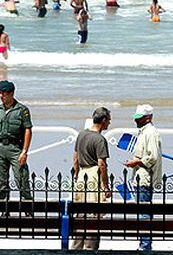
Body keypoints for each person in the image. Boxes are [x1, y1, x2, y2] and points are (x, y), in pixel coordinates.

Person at [0, 80, 33, 201]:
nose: (1, 96)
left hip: (15, 148)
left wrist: (24, 151)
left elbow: (28, 130)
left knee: (21, 179)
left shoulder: (21, 110)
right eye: (0, 93)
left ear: (11, 93)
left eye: (4, 93)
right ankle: (4, 211)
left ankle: (27, 210)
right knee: (1, 182)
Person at [72, 107, 112, 250]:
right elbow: (101, 164)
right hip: (94, 175)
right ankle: (90, 248)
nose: (109, 124)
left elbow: (75, 158)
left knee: (81, 213)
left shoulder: (81, 135)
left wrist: (76, 174)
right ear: (103, 120)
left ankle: (76, 247)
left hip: (82, 175)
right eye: (108, 121)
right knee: (94, 214)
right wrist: (106, 185)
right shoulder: (100, 139)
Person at [124, 104, 162, 251]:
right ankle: (144, 244)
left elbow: (152, 157)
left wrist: (136, 162)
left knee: (144, 214)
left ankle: (145, 246)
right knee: (143, 213)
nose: (136, 121)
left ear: (148, 117)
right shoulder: (143, 132)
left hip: (145, 178)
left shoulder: (150, 133)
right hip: (141, 176)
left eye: (139, 118)